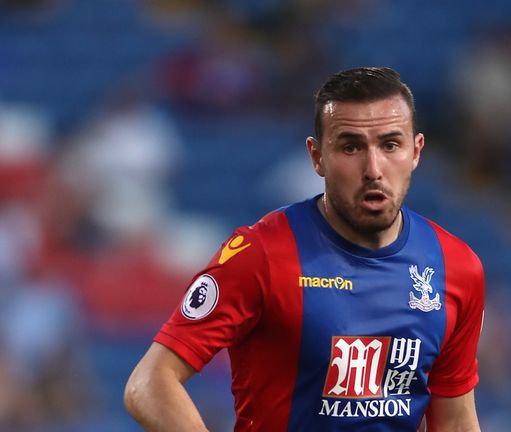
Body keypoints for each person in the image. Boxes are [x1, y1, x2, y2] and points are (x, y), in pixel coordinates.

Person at [124, 67, 485, 431]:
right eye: (350, 147)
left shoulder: (456, 267)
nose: (373, 168)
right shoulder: (260, 254)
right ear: (317, 157)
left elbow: (455, 420)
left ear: (416, 151)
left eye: (390, 144)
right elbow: (149, 383)